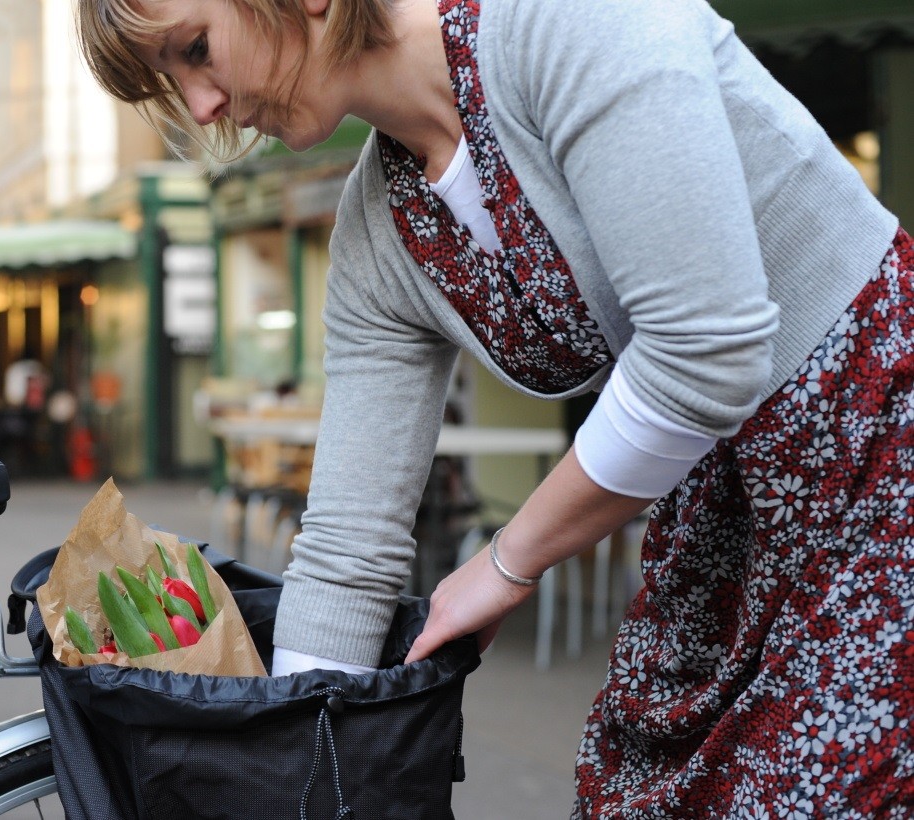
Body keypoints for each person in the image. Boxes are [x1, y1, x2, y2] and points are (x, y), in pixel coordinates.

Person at [76, 0, 912, 815]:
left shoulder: (570, 23)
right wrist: (286, 758)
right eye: (170, 80)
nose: (200, 104)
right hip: (726, 502)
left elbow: (706, 355)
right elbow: (347, 546)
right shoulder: (378, 235)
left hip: (882, 435)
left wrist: (506, 563)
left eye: (194, 48)